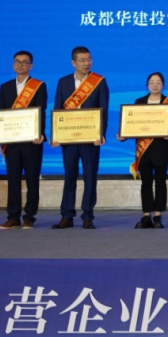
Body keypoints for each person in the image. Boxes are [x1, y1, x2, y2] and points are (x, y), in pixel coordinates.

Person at [51, 46, 109, 230]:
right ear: (73, 62)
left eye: (89, 59)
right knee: (69, 176)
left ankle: (87, 216)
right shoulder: (63, 82)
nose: (87, 63)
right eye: (82, 60)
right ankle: (67, 216)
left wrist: (100, 134)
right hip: (68, 139)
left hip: (91, 138)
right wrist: (56, 135)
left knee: (90, 177)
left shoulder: (99, 81)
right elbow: (58, 109)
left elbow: (103, 110)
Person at [118, 72, 168, 229]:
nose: (155, 85)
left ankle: (158, 216)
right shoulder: (139, 102)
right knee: (145, 184)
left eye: (158, 82)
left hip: (162, 149)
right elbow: (132, 124)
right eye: (152, 82)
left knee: (160, 183)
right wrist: (123, 135)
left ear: (163, 85)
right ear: (147, 85)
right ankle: (146, 215)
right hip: (144, 150)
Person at [0, 50, 47, 229]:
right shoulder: (5, 87)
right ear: (13, 64)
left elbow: (41, 112)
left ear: (31, 65)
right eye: (17, 61)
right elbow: (1, 115)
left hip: (32, 142)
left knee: (32, 180)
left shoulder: (39, 86)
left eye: (24, 62)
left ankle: (30, 217)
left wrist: (41, 134)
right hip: (12, 143)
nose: (20, 65)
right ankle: (13, 217)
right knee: (13, 180)